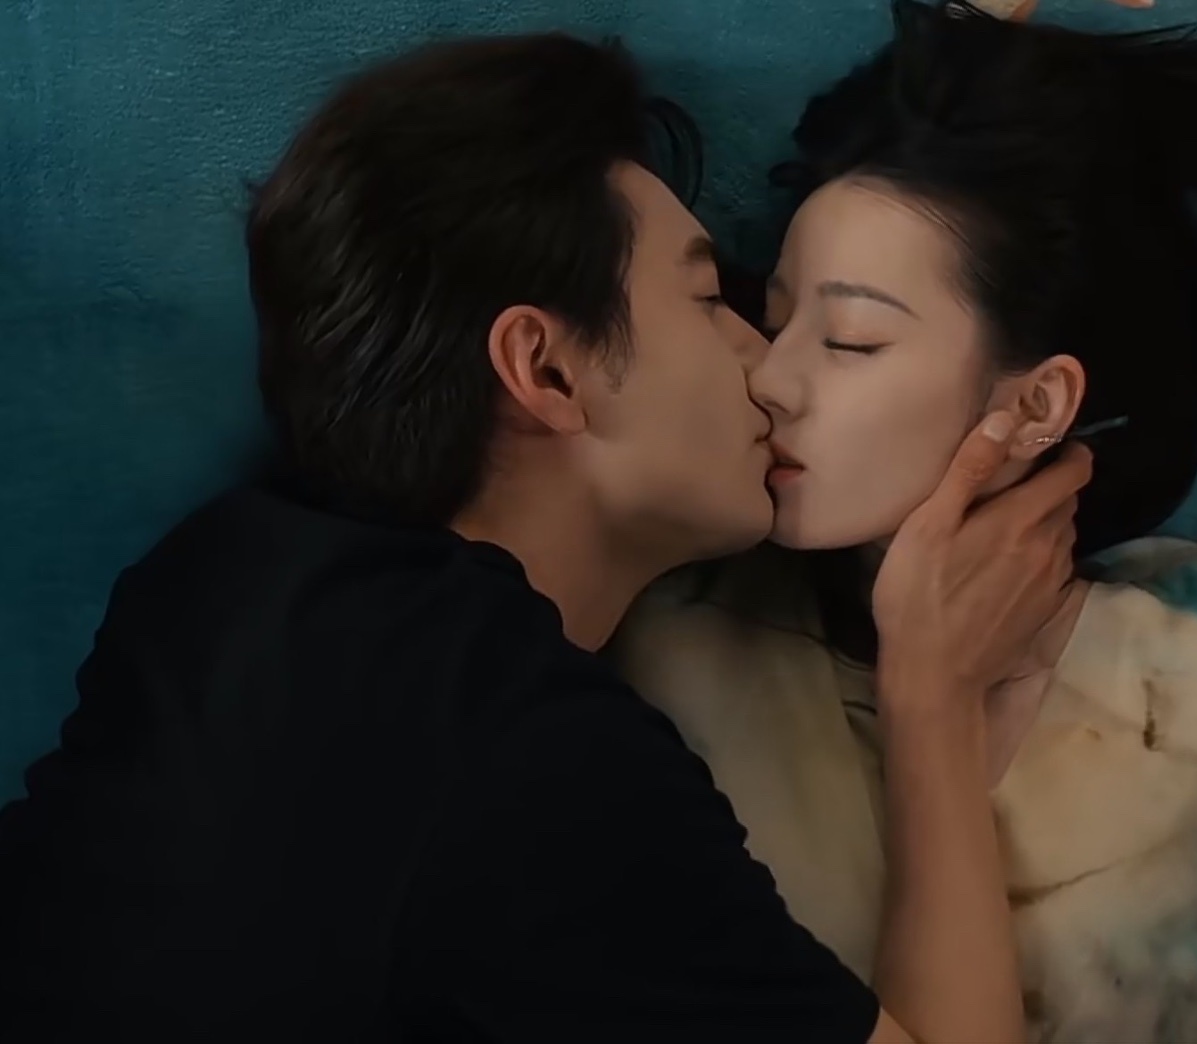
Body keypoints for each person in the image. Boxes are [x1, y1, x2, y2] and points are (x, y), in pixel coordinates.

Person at [0, 29, 1092, 1044]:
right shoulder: (530, 755)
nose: (765, 364)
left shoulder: (227, 568)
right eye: (710, 301)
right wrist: (932, 698)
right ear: (547, 371)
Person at [614, 3, 1197, 1041]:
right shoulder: (676, 650)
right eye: (774, 319)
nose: (771, 377)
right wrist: (927, 702)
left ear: (1036, 404)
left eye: (851, 341)